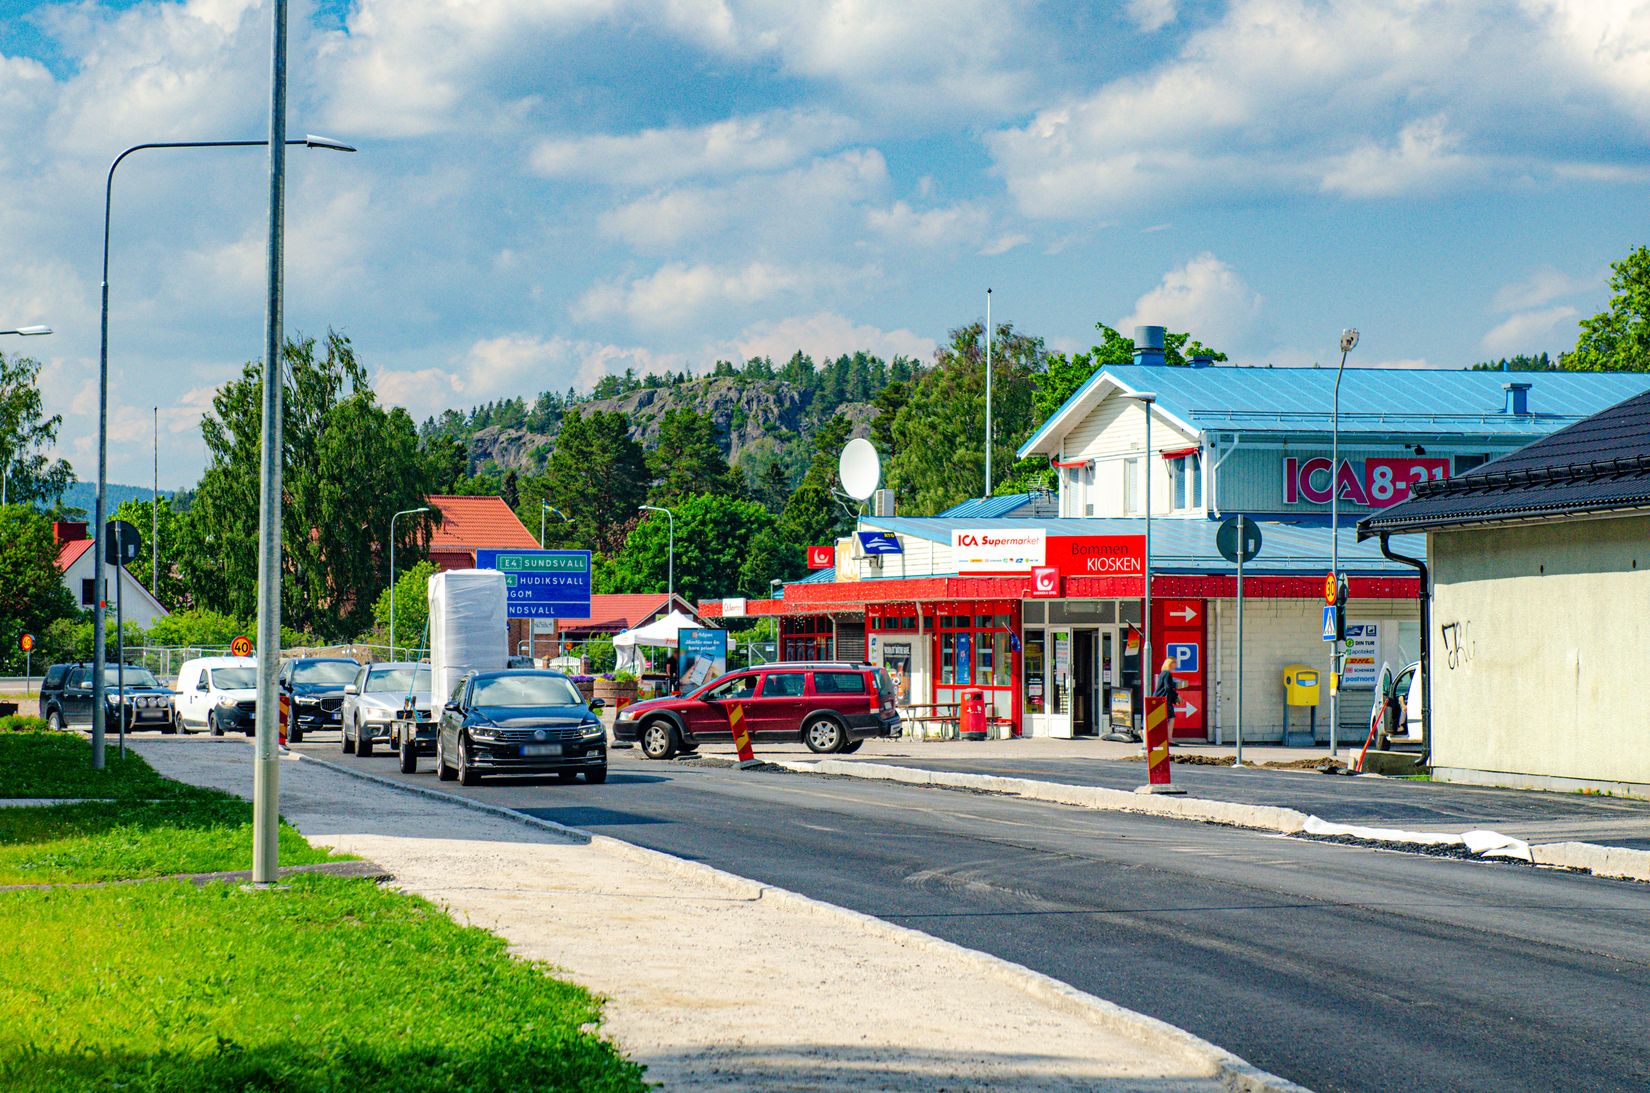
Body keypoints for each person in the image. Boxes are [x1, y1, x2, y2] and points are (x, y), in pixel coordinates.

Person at [1152, 657, 1179, 742]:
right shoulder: (1167, 674)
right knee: (1171, 718)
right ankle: (1169, 738)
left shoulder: (1163, 673)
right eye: (1175, 663)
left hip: (1158, 698)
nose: (1176, 666)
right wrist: (1176, 696)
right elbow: (1168, 688)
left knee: (1158, 719)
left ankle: (1147, 733)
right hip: (1164, 699)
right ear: (1170, 664)